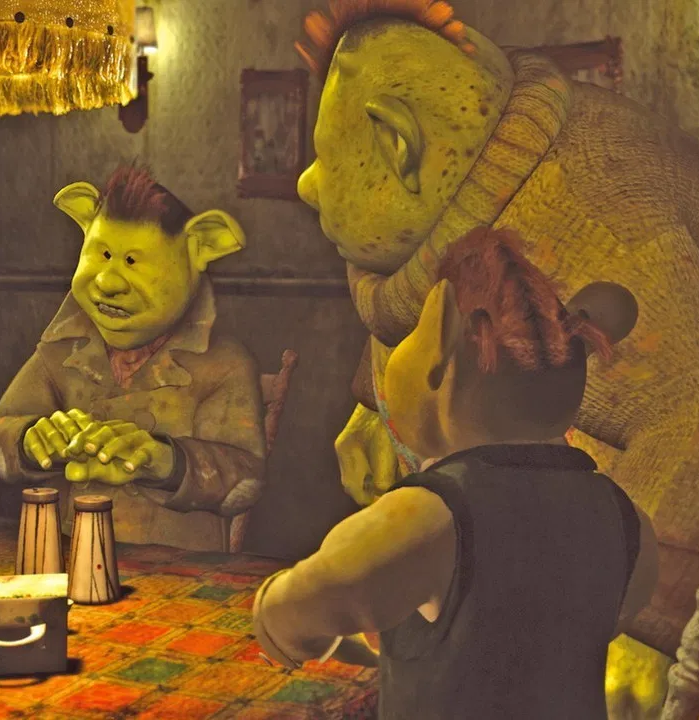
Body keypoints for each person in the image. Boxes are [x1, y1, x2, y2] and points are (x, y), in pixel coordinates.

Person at [251, 227, 658, 719]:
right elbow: (585, 622)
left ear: (438, 364)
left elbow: (304, 606)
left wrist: (275, 616)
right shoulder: (626, 520)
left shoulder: (429, 514)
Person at [0, 166, 266, 552]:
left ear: (198, 250)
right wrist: (31, 440)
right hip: (73, 557)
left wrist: (165, 461)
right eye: (102, 255)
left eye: (133, 261)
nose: (107, 282)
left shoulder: (223, 364)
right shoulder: (61, 351)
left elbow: (245, 481)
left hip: (179, 568)